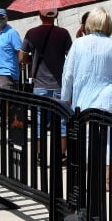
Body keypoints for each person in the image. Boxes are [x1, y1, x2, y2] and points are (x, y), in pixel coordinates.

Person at [20, 8, 74, 155]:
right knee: (62, 122)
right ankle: (62, 155)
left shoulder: (31, 33)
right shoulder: (63, 33)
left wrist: (35, 60)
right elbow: (70, 58)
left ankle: (39, 154)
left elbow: (21, 58)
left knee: (39, 122)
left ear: (39, 15)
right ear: (56, 15)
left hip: (39, 86)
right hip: (59, 85)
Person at [61, 7, 112, 114]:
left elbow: (68, 74)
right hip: (109, 104)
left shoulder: (77, 44)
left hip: (83, 104)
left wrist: (65, 98)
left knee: (85, 130)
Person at [0, 8, 22, 89]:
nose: (0, 19)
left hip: (7, 74)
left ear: (7, 18)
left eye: (2, 17)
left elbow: (20, 52)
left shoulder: (12, 33)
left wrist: (21, 64)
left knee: (6, 101)